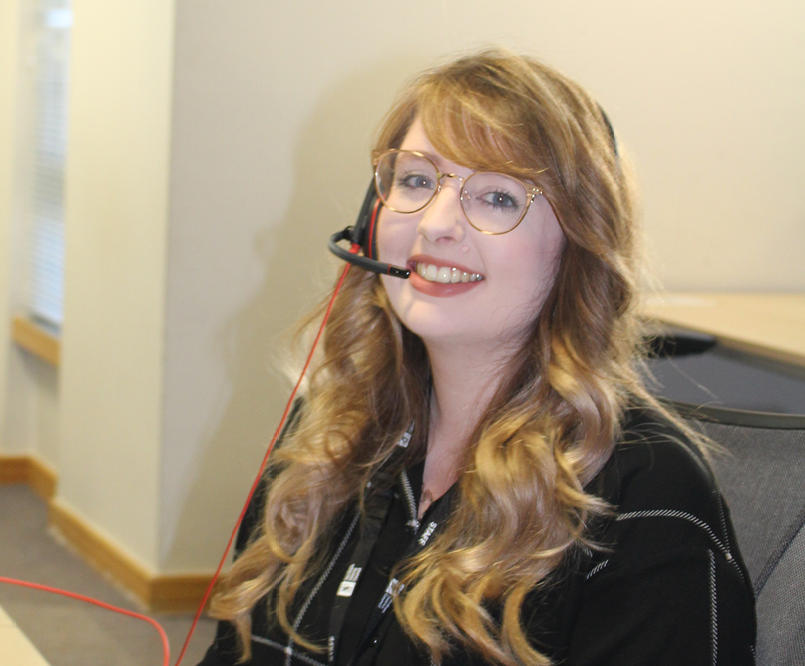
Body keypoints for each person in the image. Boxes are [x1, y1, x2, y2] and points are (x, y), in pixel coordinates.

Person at [198, 49, 755, 666]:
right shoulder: (330, 439)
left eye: (497, 197)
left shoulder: (643, 493)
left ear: (579, 245)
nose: (437, 223)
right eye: (415, 180)